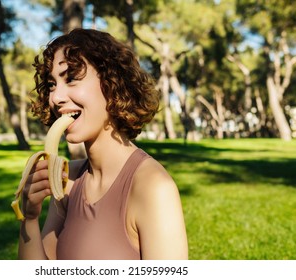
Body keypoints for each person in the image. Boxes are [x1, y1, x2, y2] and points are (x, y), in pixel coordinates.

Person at [18, 28, 188, 260]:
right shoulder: (68, 181)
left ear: (112, 84)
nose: (56, 98)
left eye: (71, 79)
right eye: (52, 85)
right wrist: (29, 218)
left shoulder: (153, 187)